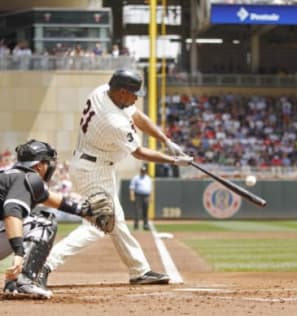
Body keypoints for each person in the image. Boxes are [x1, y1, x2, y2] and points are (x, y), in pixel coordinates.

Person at [38, 69, 193, 288]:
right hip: (92, 171)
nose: (136, 97)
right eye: (133, 93)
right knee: (97, 226)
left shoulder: (103, 91)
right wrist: (174, 161)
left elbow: (137, 115)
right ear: (121, 92)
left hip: (96, 166)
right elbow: (139, 152)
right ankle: (43, 264)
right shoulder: (113, 121)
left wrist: (165, 139)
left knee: (117, 222)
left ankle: (139, 271)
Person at [1, 139, 109, 299]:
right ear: (39, 165)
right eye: (48, 162)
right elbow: (12, 212)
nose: (50, 166)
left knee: (31, 219)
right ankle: (24, 280)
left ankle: (15, 282)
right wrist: (18, 252)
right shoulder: (28, 178)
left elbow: (49, 198)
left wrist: (83, 211)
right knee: (44, 221)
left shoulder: (10, 175)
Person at [129, 165, 152, 230]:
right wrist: (132, 196)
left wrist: (150, 197)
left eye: (144, 171)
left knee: (146, 211)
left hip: (146, 196)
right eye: (142, 171)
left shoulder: (148, 178)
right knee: (137, 210)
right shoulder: (136, 178)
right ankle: (136, 225)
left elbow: (150, 189)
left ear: (146, 171)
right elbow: (132, 187)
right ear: (140, 171)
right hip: (138, 196)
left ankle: (145, 225)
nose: (143, 172)